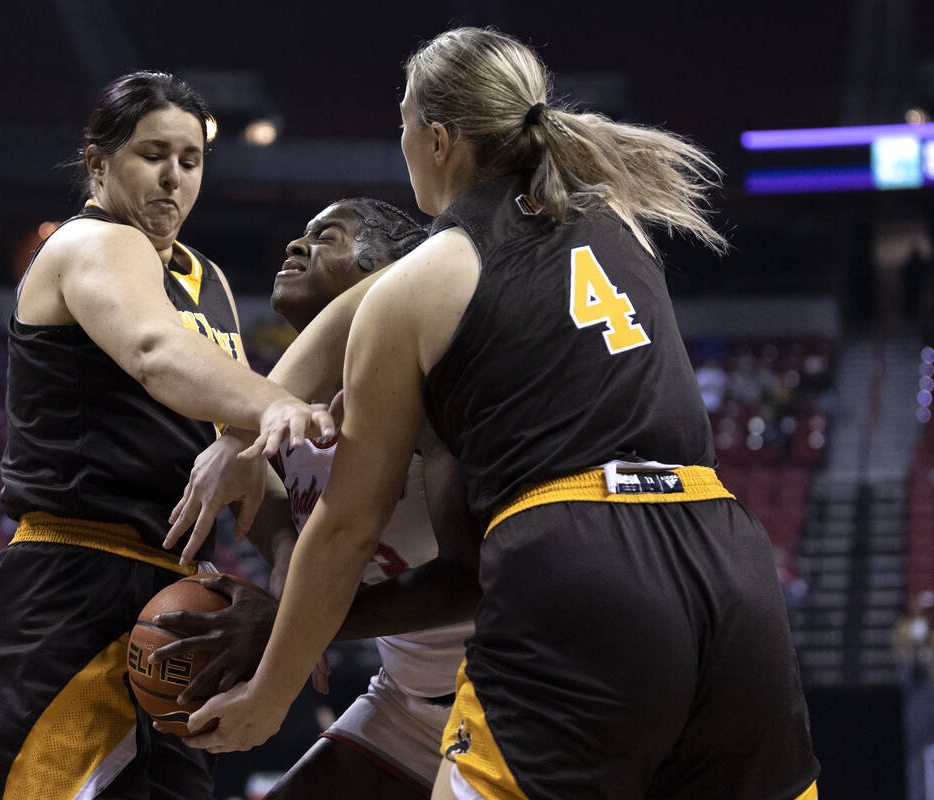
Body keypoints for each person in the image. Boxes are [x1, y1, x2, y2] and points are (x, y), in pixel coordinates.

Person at [182, 27, 820, 800]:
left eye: (405, 124)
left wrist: (270, 695)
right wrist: (247, 428)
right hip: (726, 559)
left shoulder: (416, 288)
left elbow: (347, 528)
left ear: (439, 141)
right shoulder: (616, 213)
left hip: (581, 558)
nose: (402, 143)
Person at [0, 71, 334, 800]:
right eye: (152, 154)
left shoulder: (207, 278)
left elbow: (237, 458)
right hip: (66, 593)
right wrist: (280, 402)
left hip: (174, 606)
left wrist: (295, 582)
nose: (174, 177)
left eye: (190, 161)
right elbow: (157, 354)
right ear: (98, 163)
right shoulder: (91, 244)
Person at [160, 198, 476, 799]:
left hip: (502, 688)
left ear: (391, 269)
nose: (295, 246)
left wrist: (293, 625)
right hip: (406, 701)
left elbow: (470, 581)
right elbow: (251, 483)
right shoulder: (280, 396)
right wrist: (282, 546)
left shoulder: (435, 392)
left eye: (325, 236)